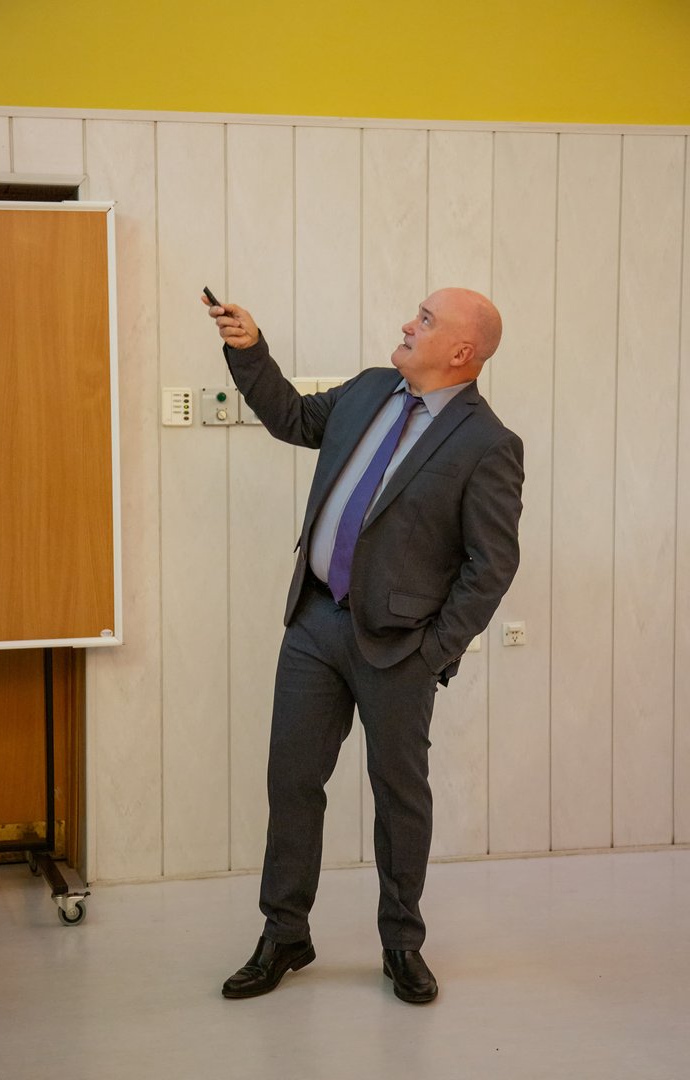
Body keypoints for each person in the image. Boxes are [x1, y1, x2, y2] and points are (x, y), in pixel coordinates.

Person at [203, 287, 524, 1004]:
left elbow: (491, 565)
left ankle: (401, 942)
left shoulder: (487, 443)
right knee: (292, 782)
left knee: (399, 797)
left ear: (462, 351)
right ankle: (284, 932)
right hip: (315, 624)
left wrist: (434, 651)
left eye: (426, 320)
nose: (409, 323)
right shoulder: (371, 389)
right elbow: (292, 417)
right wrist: (249, 350)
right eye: (416, 312)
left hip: (400, 648)